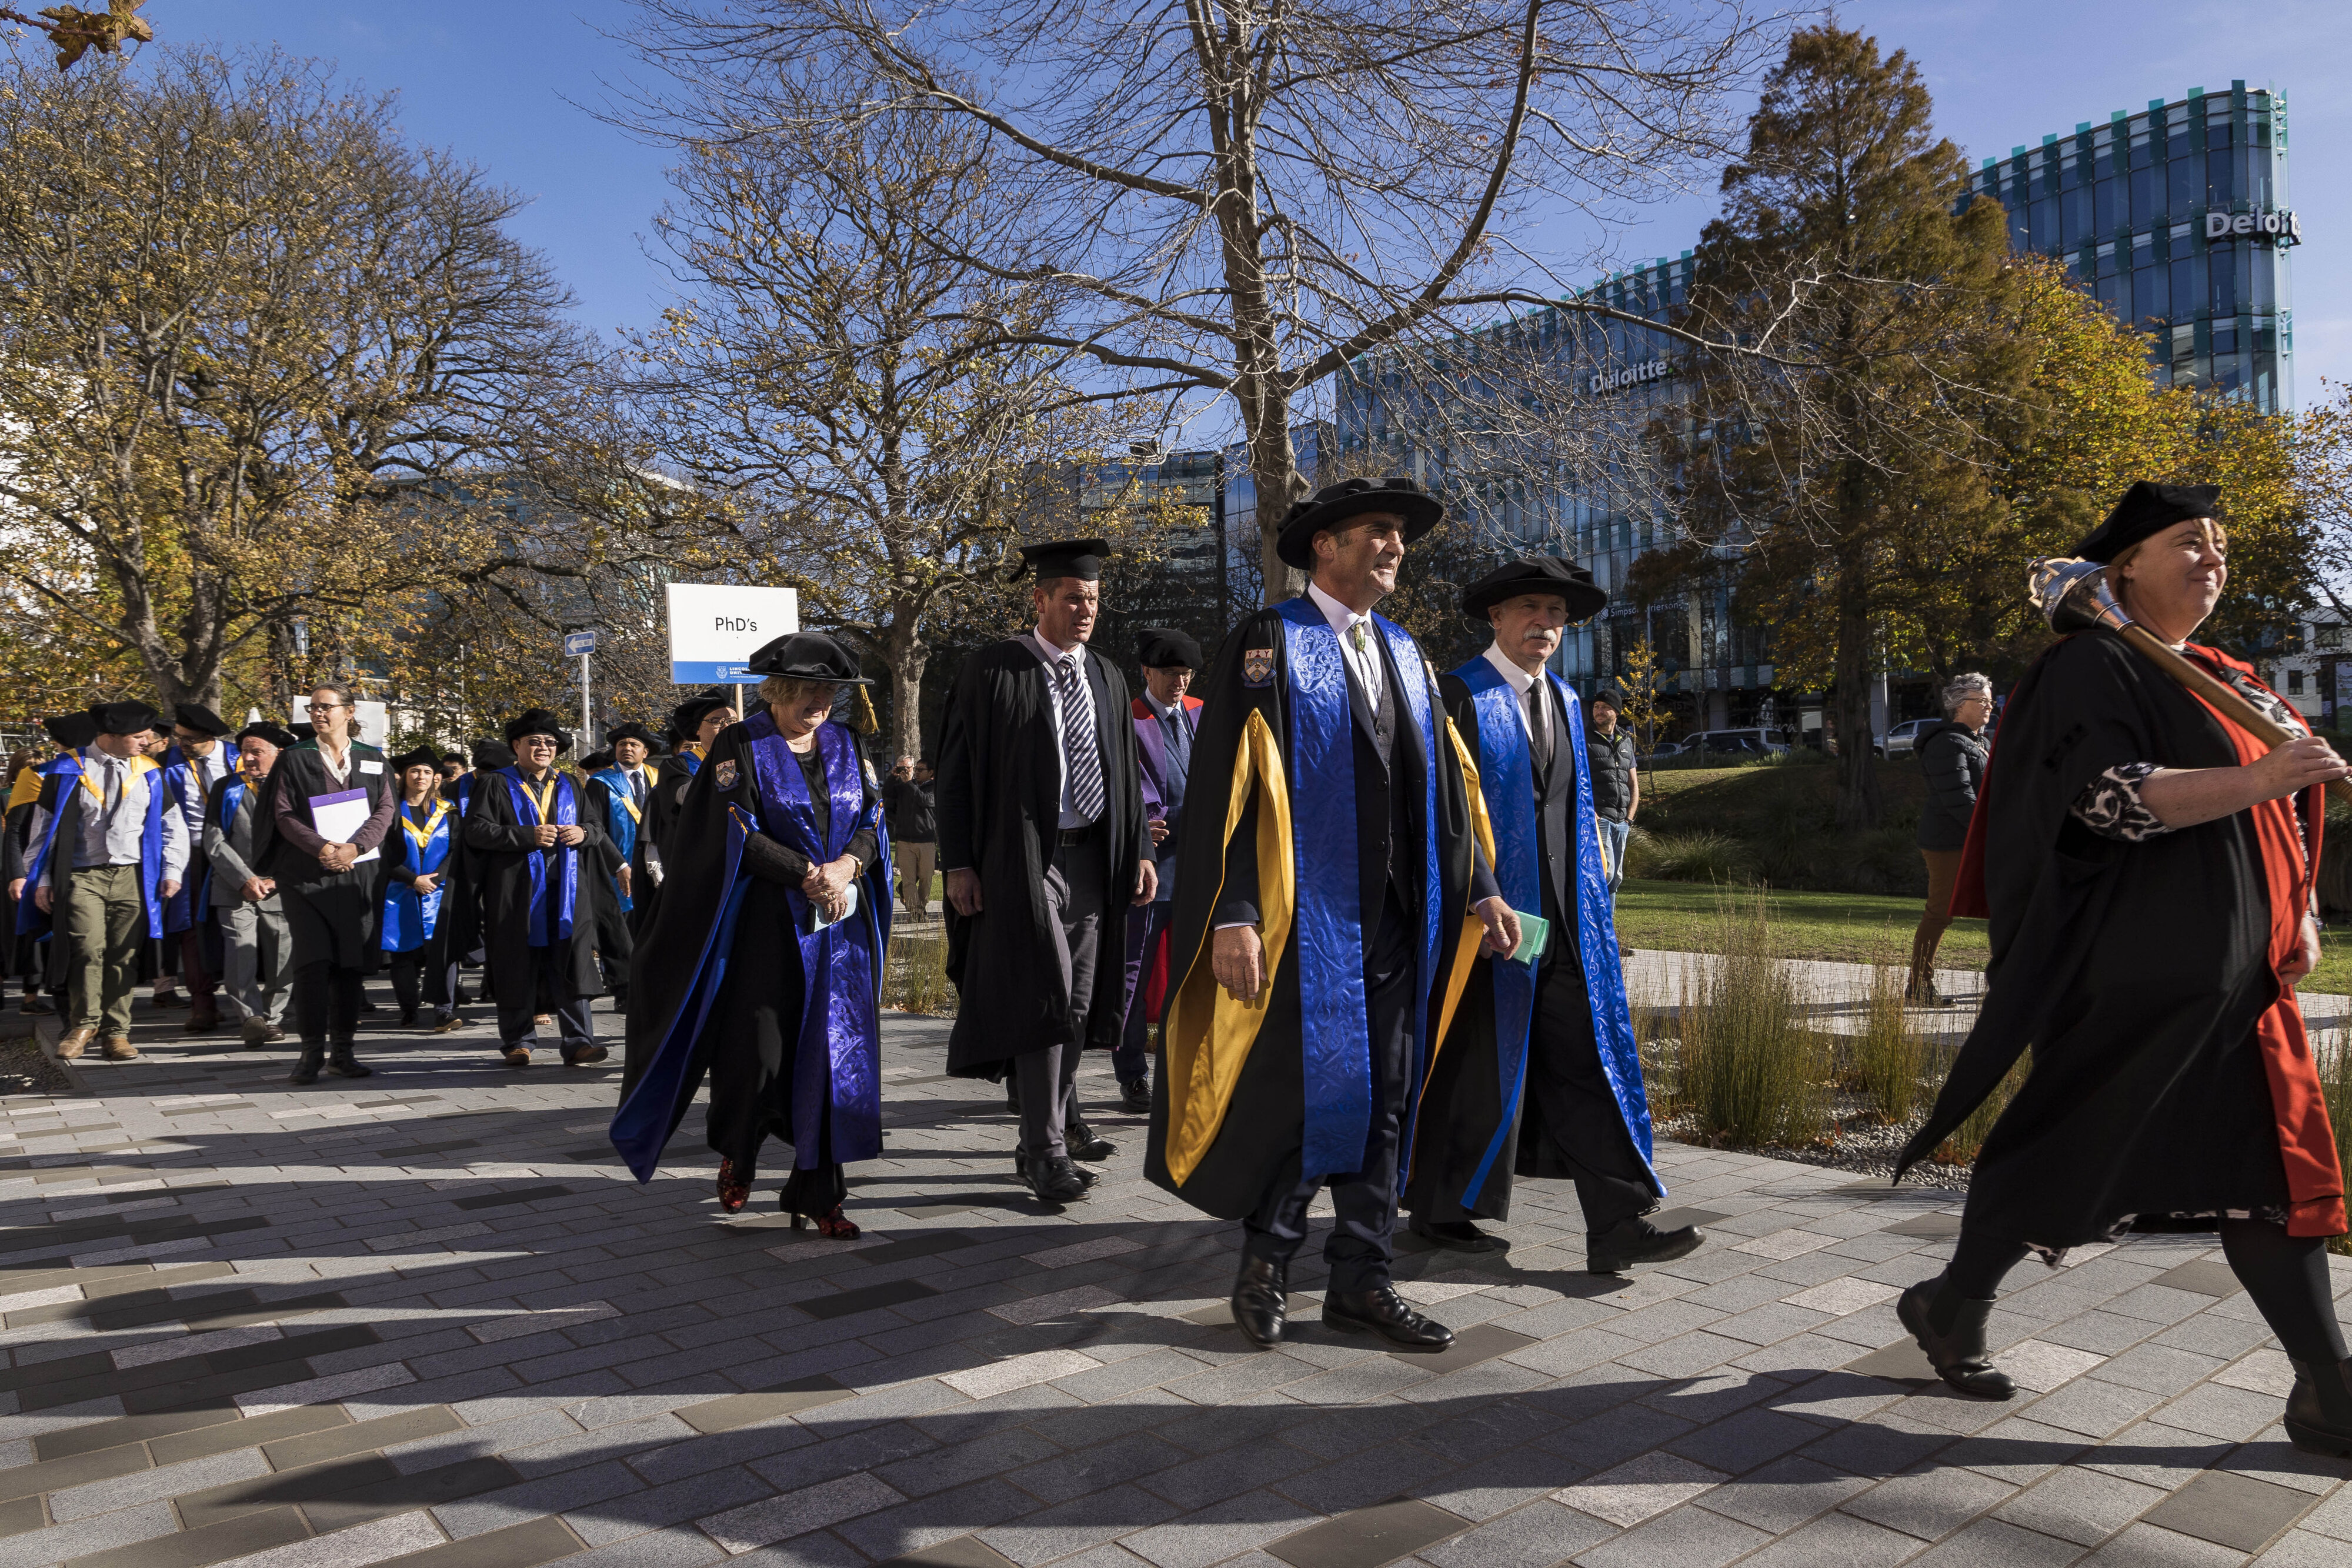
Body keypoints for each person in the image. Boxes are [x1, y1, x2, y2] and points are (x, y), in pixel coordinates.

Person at [1894, 481, 2352, 1456]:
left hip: (2238, 986)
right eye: (2186, 542)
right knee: (2064, 1145)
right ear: (2123, 566)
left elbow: (2291, 798)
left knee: (2266, 1174)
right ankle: (1952, 1303)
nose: (2210, 558)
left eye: (2218, 546)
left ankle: (2325, 1390)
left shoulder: (2226, 672)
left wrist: (2298, 904)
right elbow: (2110, 799)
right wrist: (2260, 776)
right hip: (2133, 978)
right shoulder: (2090, 666)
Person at [1146, 476, 1517, 1353]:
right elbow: (1227, 789)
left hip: (1397, 919)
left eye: (1398, 534)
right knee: (1301, 1095)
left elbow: (1445, 793)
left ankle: (1361, 1278)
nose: (1394, 546)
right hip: (1297, 920)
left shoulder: (1404, 653)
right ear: (1325, 546)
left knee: (1386, 1100)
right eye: (1377, 532)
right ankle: (1267, 1261)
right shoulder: (1269, 641)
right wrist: (1232, 910)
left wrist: (1479, 884)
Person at [1406, 558, 1699, 1272]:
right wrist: (1480, 889)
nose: (1546, 624)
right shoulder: (1457, 693)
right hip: (1485, 920)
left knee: (1584, 1062)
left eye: (1558, 615)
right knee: (1472, 1063)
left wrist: (1594, 909)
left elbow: (1570, 814)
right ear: (1497, 618)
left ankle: (1618, 1221)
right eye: (1532, 609)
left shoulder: (1567, 700)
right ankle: (1440, 1209)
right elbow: (1440, 811)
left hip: (1563, 925)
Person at [615, 632, 892, 1236]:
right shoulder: (744, 742)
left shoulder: (849, 742)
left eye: (829, 690)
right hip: (767, 923)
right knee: (758, 1053)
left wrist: (847, 867)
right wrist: (804, 873)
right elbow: (733, 825)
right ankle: (740, 1149)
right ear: (781, 689)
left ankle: (820, 1194)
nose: (820, 700)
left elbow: (872, 817)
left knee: (834, 1051)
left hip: (838, 928)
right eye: (809, 688)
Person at [938, 538, 1157, 1203]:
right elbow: (955, 773)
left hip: (1095, 855)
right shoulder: (997, 669)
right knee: (1046, 996)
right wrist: (961, 862)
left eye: (1092, 598)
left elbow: (1126, 773)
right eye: (1071, 597)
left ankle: (1050, 1128)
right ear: (1040, 600)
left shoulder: (1108, 675)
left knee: (1081, 1003)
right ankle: (1045, 1151)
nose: (1084, 608)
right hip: (1025, 858)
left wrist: (1141, 846)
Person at [16, 701, 189, 1062]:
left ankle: (117, 1033)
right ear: (112, 737)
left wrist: (173, 871)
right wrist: (43, 878)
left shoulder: (150, 772)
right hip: (82, 876)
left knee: (122, 954)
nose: (148, 742)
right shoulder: (67, 770)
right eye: (139, 737)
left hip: (132, 877)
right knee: (87, 949)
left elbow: (174, 827)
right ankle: (83, 1024)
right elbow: (41, 833)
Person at [251, 682, 397, 1083]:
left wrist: (356, 847)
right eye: (313, 707)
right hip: (306, 876)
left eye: (326, 707)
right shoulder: (294, 759)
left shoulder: (372, 758)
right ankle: (311, 1053)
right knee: (313, 964)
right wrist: (322, 847)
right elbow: (282, 813)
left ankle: (344, 1053)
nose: (318, 713)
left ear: (349, 712)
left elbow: (386, 809)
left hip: (356, 875)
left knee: (350, 966)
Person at [463, 709, 612, 1067]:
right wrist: (526, 836)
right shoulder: (496, 783)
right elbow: (476, 831)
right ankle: (518, 1041)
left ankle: (578, 1042)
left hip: (566, 892)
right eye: (535, 741)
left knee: (571, 963)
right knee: (517, 964)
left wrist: (584, 833)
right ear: (517, 746)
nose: (544, 747)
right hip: (516, 893)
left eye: (550, 742)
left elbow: (595, 826)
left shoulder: (570, 784)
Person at [1116, 627, 1203, 1116]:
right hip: (1147, 871)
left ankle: (1177, 1070)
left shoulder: (1200, 713)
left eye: (1186, 674)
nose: (1179, 682)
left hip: (1197, 871)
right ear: (1147, 672)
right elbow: (1112, 783)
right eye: (1170, 673)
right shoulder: (1125, 718)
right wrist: (1136, 822)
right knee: (1134, 976)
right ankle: (1132, 1076)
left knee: (1186, 979)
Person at [202, 723, 296, 1047]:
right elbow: (214, 839)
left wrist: (277, 878)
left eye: (258, 752)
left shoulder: (294, 787)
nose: (250, 758)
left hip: (281, 887)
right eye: (245, 752)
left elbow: (302, 840)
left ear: (278, 754)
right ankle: (252, 1019)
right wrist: (245, 878)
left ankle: (274, 1017)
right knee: (240, 955)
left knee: (283, 956)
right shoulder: (226, 787)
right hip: (234, 886)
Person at [1907, 673, 1993, 1004]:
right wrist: (1990, 832)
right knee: (1940, 913)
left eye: (1989, 700)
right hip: (1948, 842)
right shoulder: (1947, 743)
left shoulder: (1978, 742)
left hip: (1975, 838)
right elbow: (1959, 798)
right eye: (1981, 700)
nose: (1989, 706)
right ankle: (1918, 988)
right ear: (1960, 705)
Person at [6, 716, 96, 1018]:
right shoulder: (35, 775)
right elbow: (16, 831)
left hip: (93, 869)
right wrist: (20, 874)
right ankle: (56, 1003)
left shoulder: (105, 770)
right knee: (50, 937)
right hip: (47, 869)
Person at [154, 703, 236, 1025]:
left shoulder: (237, 757)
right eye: (178, 737)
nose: (181, 745)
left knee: (234, 924)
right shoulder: (165, 763)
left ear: (209, 737)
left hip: (234, 854)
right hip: (190, 857)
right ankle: (202, 1001)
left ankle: (249, 999)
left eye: (189, 740)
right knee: (191, 927)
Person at [382, 746, 458, 1030]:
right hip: (400, 891)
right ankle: (409, 1009)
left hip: (439, 893)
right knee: (403, 953)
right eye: (415, 771)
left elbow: (456, 850)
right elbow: (382, 853)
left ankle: (444, 1009)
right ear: (404, 775)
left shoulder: (448, 812)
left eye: (428, 772)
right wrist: (412, 879)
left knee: (443, 953)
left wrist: (436, 880)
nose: (421, 776)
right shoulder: (388, 811)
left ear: (435, 778)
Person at [585, 722, 662, 1002]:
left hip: (658, 866)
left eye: (633, 745)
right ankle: (625, 991)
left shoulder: (661, 778)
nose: (627, 749)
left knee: (655, 926)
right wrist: (619, 865)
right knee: (622, 930)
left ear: (646, 751)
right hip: (618, 867)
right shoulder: (600, 783)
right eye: (621, 745)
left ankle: (655, 984)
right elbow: (595, 828)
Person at [645, 692, 737, 876]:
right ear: (698, 730)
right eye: (718, 721)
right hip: (700, 860)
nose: (727, 726)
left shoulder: (753, 758)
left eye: (733, 721)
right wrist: (723, 761)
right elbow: (687, 797)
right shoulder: (679, 764)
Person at [1586, 690, 1639, 963]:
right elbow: (1575, 777)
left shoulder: (1627, 741)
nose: (1599, 711)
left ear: (1616, 712)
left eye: (1605, 707)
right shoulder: (1584, 738)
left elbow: (1633, 783)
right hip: (1600, 819)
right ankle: (1593, 936)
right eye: (1596, 706)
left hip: (1622, 822)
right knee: (1604, 874)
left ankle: (1608, 939)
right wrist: (1589, 811)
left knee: (1615, 879)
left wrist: (1630, 817)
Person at [881, 756, 937, 918]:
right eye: (916, 769)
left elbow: (924, 800)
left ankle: (921, 905)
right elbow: (886, 795)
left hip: (926, 841)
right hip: (905, 841)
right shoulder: (904, 786)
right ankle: (916, 912)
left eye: (921, 770)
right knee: (909, 880)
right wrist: (893, 777)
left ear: (931, 773)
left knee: (926, 879)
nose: (916, 772)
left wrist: (910, 784)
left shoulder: (933, 787)